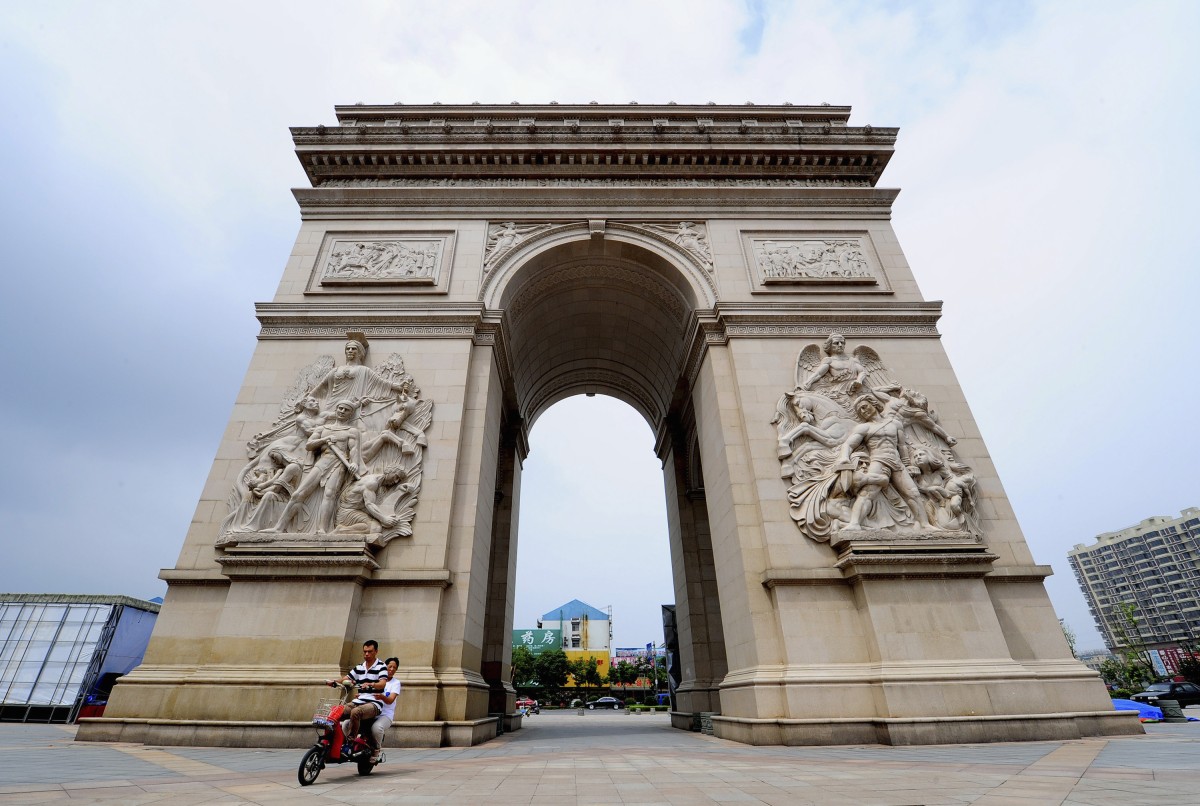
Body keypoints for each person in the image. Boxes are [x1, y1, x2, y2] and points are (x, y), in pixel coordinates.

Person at [326, 640, 389, 745]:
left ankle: (350, 741)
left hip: (374, 703)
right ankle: (332, 740)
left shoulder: (381, 666)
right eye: (365, 651)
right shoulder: (359, 667)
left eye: (369, 651)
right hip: (358, 701)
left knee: (356, 712)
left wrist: (371, 684)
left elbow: (382, 683)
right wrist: (334, 682)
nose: (366, 654)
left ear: (376, 652)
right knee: (336, 712)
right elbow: (346, 678)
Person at [370, 657, 401, 762]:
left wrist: (382, 697)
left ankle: (377, 750)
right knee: (347, 723)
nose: (392, 669)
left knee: (376, 728)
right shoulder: (376, 680)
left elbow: (390, 700)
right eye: (390, 667)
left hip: (385, 715)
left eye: (394, 668)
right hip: (371, 711)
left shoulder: (395, 683)